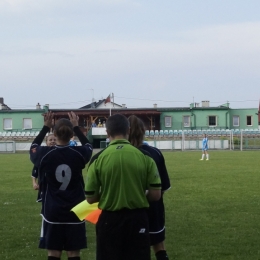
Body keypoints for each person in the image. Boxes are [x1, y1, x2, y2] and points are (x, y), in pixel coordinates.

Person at [85, 113, 162, 260]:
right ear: (129, 129)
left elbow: (90, 198)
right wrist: (136, 194)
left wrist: (110, 195)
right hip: (137, 218)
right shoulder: (146, 157)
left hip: (109, 220)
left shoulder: (98, 159)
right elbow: (156, 195)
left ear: (107, 133)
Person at [30, 111, 93, 260]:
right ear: (71, 134)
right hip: (76, 209)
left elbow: (33, 147)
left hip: (52, 210)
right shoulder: (79, 153)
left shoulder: (45, 154)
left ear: (54, 133)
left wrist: (45, 127)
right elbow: (89, 146)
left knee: (54, 253)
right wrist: (77, 127)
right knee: (74, 253)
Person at [128, 115, 171, 260]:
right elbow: (163, 187)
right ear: (143, 131)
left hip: (127, 210)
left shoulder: (119, 154)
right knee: (159, 246)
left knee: (131, 248)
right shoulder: (155, 153)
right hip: (153, 208)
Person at [31, 133, 56, 202]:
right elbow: (35, 170)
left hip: (57, 184)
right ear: (46, 142)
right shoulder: (41, 154)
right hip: (44, 184)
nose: (53, 141)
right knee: (45, 203)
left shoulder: (61, 153)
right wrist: (34, 182)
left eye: (54, 140)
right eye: (50, 140)